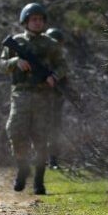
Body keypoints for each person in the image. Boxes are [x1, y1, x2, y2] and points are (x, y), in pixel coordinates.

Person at [0, 3, 68, 195]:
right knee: (15, 131)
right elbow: (1, 65)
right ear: (26, 21)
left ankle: (39, 179)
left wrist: (54, 76)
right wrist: (15, 62)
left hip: (43, 96)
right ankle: (22, 167)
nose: (37, 23)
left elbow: (63, 65)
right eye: (33, 19)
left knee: (41, 138)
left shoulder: (51, 44)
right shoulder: (16, 42)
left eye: (40, 19)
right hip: (20, 94)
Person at [45, 27, 66, 169]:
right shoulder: (42, 59)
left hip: (55, 99)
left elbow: (64, 78)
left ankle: (53, 160)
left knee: (54, 130)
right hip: (39, 98)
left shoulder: (60, 61)